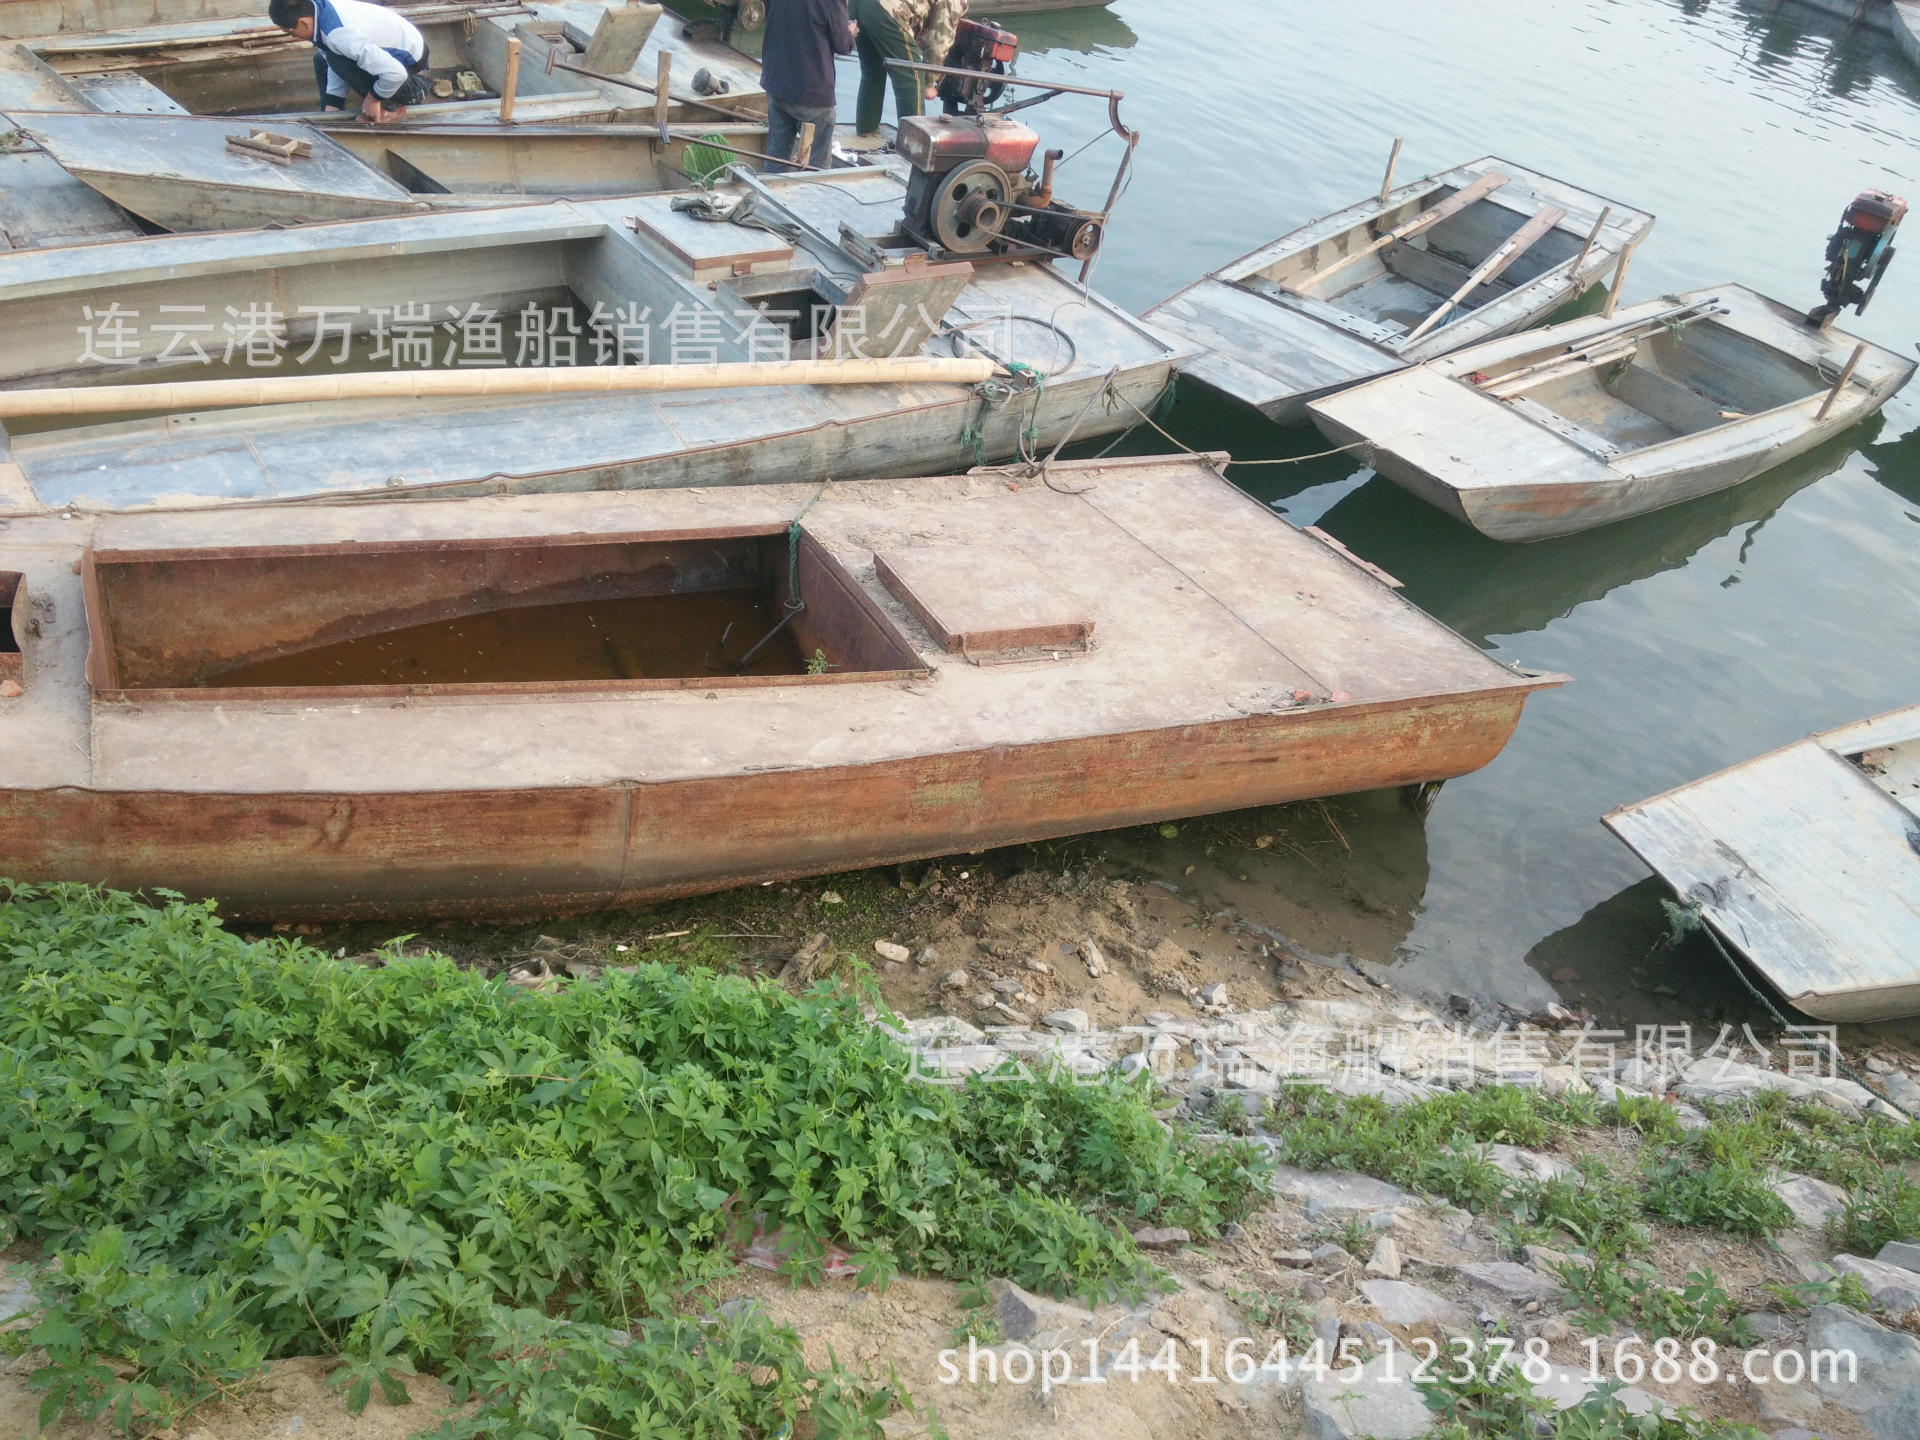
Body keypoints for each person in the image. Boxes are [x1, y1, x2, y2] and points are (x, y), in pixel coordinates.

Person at [268, 0, 431, 124]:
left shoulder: (338, 34)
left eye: (290, 32)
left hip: (415, 83)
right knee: (322, 59)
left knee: (335, 58)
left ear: (303, 22)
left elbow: (396, 74)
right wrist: (332, 107)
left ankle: (391, 109)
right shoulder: (320, 9)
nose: (293, 37)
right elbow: (334, 59)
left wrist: (373, 99)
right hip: (400, 66)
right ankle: (333, 117)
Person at [846, 0, 965, 143]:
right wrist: (930, 81)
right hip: (885, 9)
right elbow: (940, 39)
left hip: (857, 5)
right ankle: (914, 146)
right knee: (913, 75)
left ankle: (865, 133)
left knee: (872, 73)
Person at [759, 0, 855, 174]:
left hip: (776, 83)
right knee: (817, 168)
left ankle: (770, 192)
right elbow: (842, 44)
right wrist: (851, 32)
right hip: (812, 92)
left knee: (775, 157)